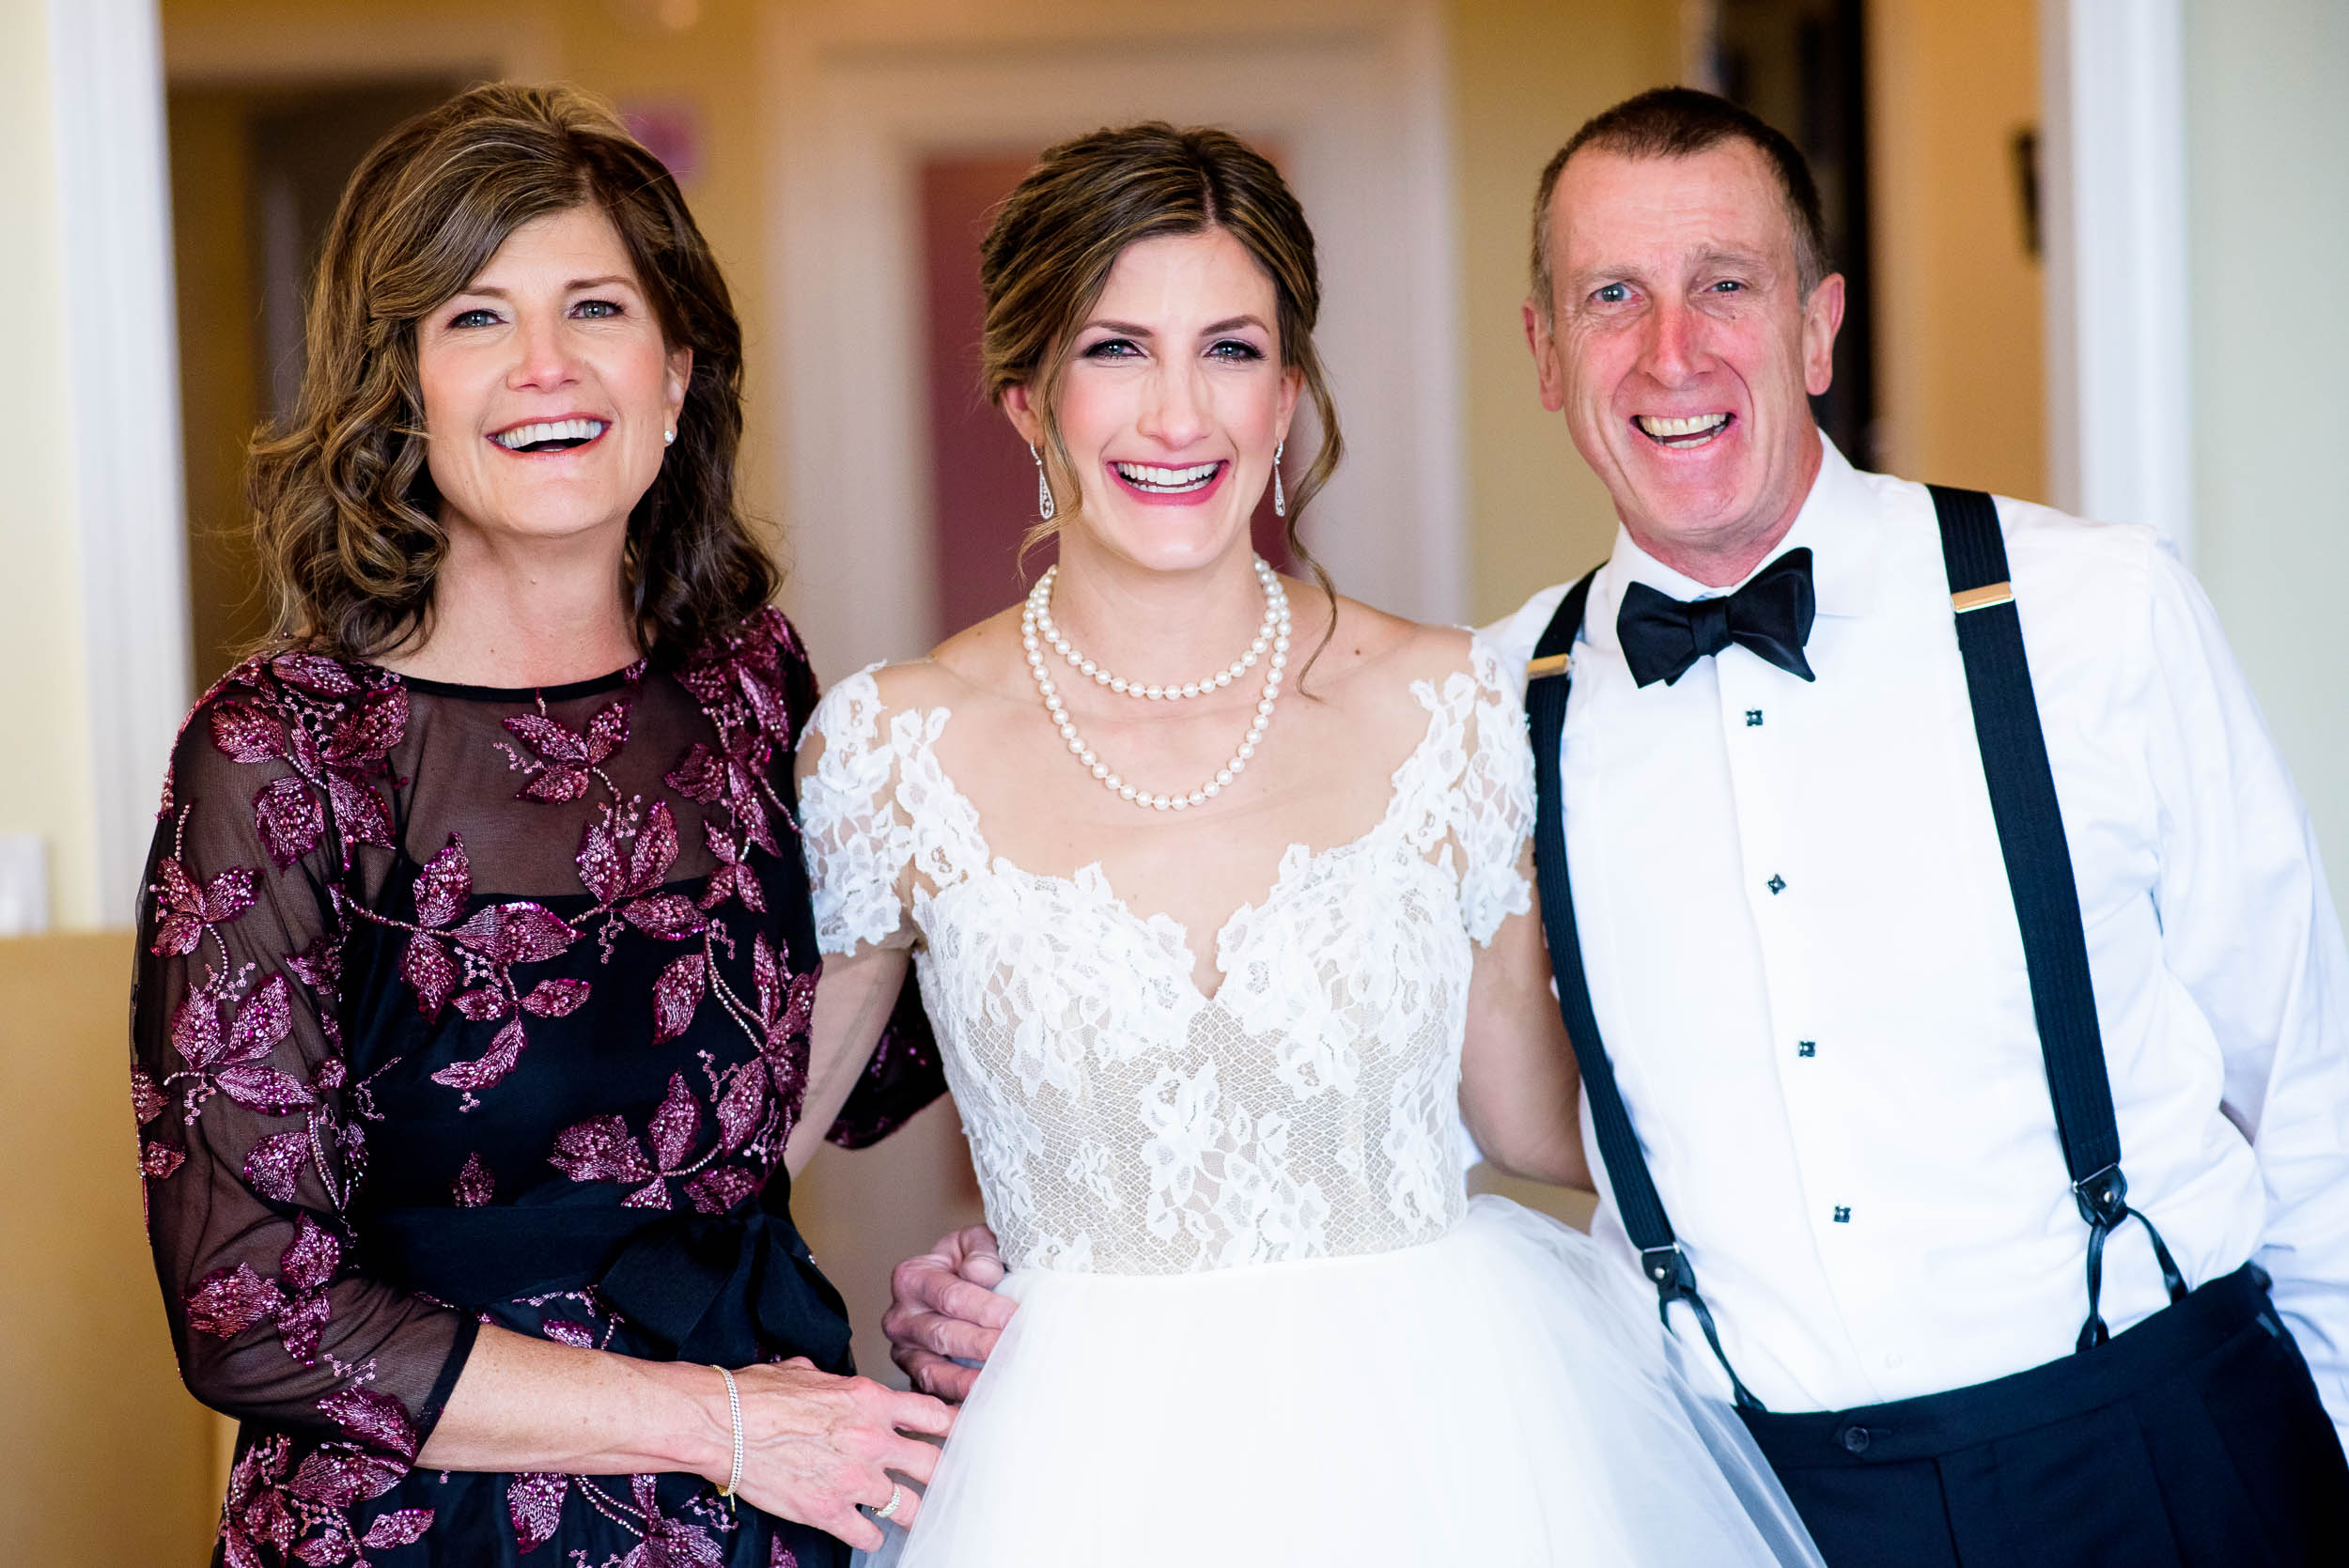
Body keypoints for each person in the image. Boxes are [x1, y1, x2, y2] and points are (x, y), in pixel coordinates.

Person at [888, 87, 2349, 1567]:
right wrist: (1092, 1233)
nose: (1673, 351)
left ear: (1819, 326)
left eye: (1727, 284)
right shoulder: (1488, 704)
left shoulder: (2094, 609)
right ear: (1544, 352)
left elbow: (2312, 1084)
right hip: (1774, 1502)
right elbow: (1423, 1090)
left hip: (2162, 1449)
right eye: (1611, 297)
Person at [795, 121, 1823, 1567]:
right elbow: (738, 1149)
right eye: (1115, 351)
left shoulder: (1443, 702)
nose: (1178, 415)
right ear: (1027, 399)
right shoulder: (891, 748)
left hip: (1450, 1448)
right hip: (1074, 1480)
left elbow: (1537, 1117)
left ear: (1286, 395)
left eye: (1230, 350)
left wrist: (1864, 1150)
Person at [132, 84, 955, 1568]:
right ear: (402, 389)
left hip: (767, 1509)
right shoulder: (281, 754)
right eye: (474, 318)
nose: (547, 366)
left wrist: (1007, 1240)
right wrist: (715, 1423)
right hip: (419, 1528)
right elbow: (253, 1308)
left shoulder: (753, 687)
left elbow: (813, 1085)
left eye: (595, 305)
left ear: (678, 369)